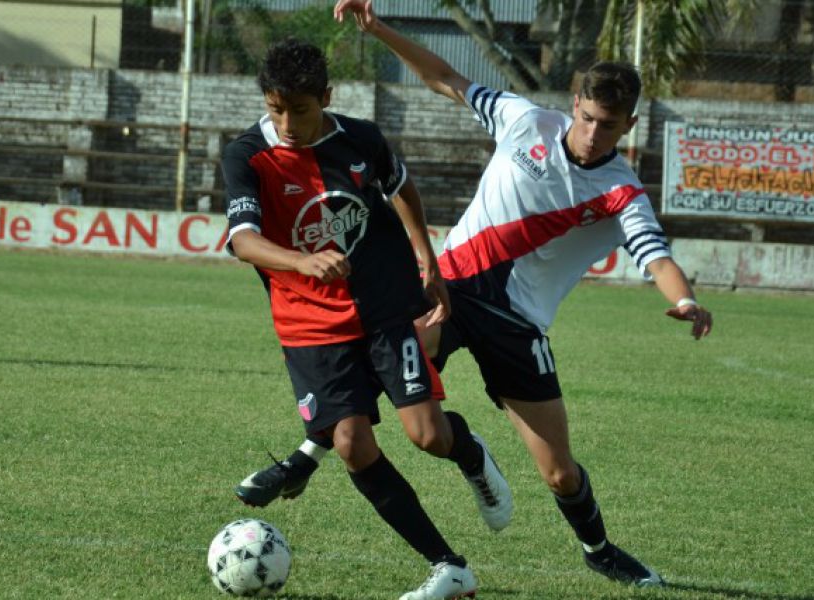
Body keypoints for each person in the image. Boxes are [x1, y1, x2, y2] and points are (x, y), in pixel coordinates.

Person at [247, 3, 715, 589]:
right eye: (590, 117)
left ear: (630, 125)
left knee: (559, 474)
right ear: (575, 104)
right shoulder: (524, 120)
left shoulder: (621, 192)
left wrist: (685, 299)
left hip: (518, 325)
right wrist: (380, 27)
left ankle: (599, 550)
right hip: (452, 288)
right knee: (380, 374)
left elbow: (656, 256)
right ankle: (306, 460)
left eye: (611, 125)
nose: (596, 135)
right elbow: (446, 77)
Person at [223, 38, 515, 600]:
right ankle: (449, 567)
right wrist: (303, 261)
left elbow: (400, 185)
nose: (286, 123)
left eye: (300, 111)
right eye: (275, 108)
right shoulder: (247, 156)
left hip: (383, 305)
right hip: (308, 325)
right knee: (354, 444)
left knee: (427, 435)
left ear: (326, 98)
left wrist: (427, 257)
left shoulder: (361, 139)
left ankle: (471, 452)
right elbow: (243, 241)